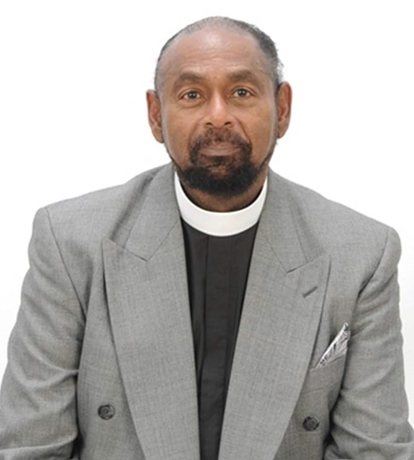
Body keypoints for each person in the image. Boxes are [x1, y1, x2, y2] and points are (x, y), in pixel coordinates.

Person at [0, 15, 413, 460]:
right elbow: (31, 446)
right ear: (156, 116)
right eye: (192, 95)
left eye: (242, 92)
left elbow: (374, 451)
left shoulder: (361, 254)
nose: (218, 116)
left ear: (282, 109)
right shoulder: (70, 243)